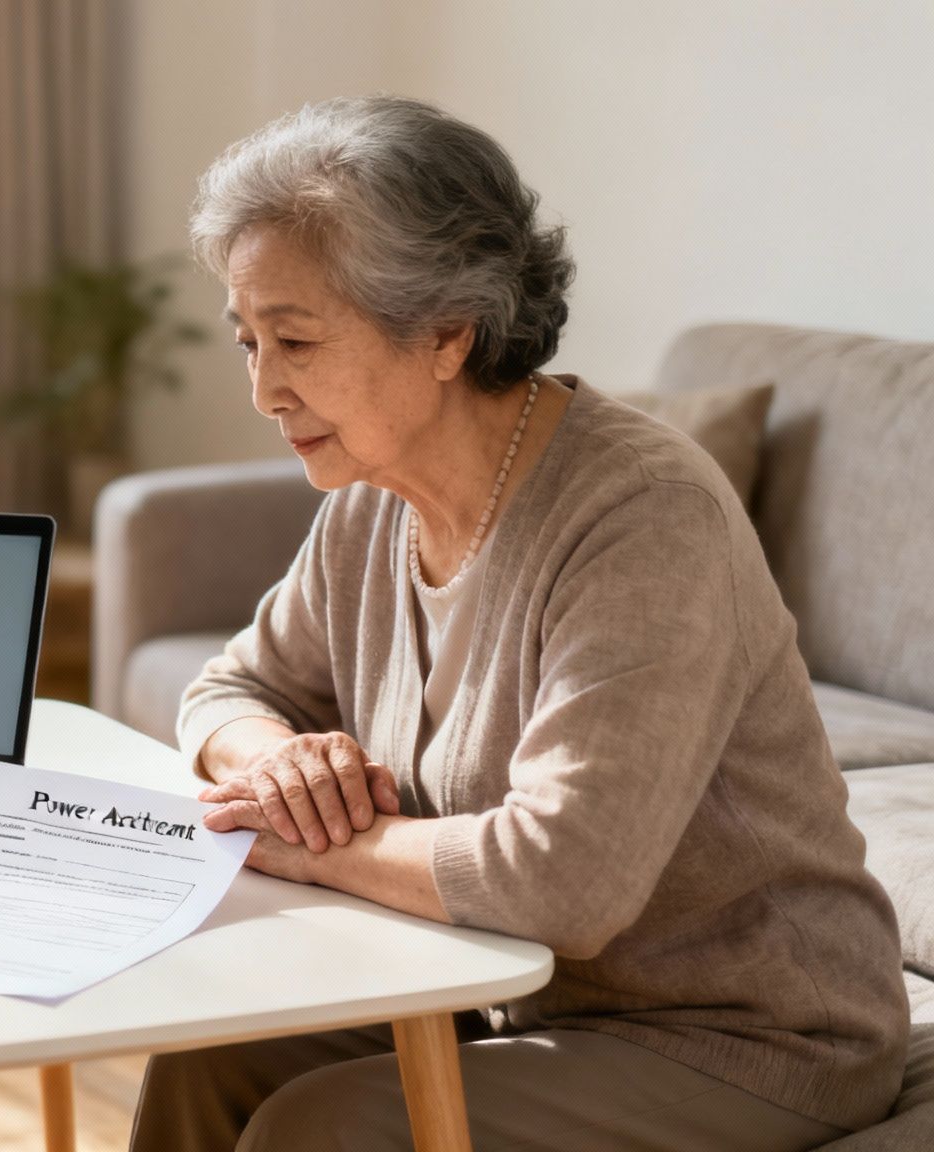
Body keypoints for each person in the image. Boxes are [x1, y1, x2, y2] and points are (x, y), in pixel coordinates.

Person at [129, 95, 907, 1151]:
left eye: (296, 341)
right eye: (247, 340)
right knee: (208, 1054)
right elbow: (227, 689)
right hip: (506, 996)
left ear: (446, 332)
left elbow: (562, 880)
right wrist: (274, 767)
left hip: (741, 1036)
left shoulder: (641, 515)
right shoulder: (371, 497)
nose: (264, 388)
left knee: (324, 1127)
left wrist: (310, 848)